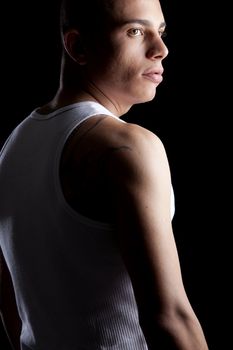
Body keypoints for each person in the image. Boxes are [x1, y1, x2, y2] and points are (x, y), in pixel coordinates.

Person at [0, 0, 209, 349]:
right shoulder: (127, 147)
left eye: (161, 32)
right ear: (78, 46)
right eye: (135, 31)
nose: (161, 49)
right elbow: (169, 317)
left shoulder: (12, 147)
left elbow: (11, 308)